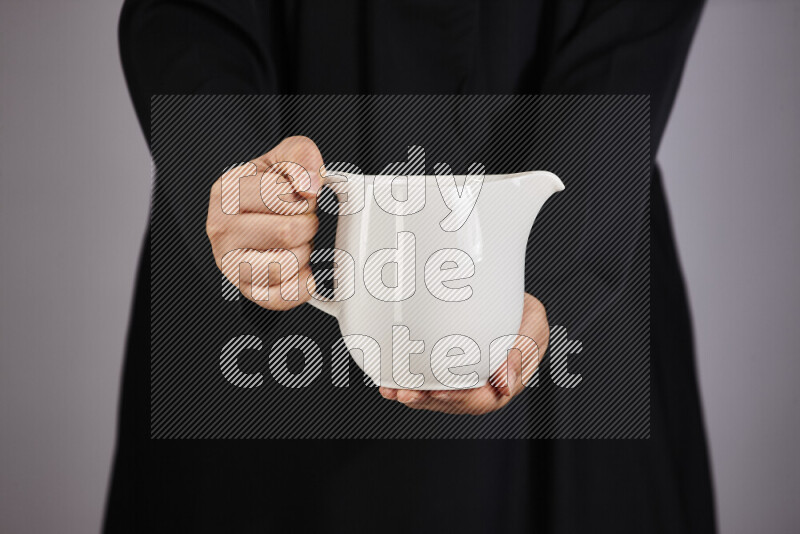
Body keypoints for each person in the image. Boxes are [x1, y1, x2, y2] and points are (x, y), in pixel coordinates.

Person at [106, 1, 716, 532]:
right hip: (265, 265)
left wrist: (550, 265)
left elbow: (632, 24)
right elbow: (183, 13)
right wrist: (230, 165)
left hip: (580, 236)